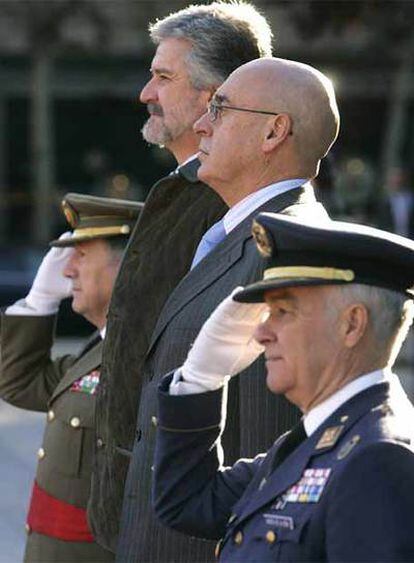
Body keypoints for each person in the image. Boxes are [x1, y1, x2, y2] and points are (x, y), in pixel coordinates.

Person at [116, 56, 340, 562]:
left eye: (219, 108)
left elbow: (274, 442)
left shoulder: (284, 252)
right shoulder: (239, 235)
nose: (200, 124)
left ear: (273, 133)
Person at [90, 2, 274, 556]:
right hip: (139, 517)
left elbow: (256, 397)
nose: (146, 92)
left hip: (184, 528)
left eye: (163, 76)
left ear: (215, 95)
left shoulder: (234, 208)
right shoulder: (182, 193)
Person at [153, 212, 414, 562]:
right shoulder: (324, 437)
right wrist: (200, 378)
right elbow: (187, 502)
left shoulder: (376, 460)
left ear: (352, 325)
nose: (261, 333)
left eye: (283, 312)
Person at [0, 194, 142, 563]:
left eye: (81, 255)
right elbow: (19, 382)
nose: (67, 271)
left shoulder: (146, 357)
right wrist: (39, 300)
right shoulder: (101, 348)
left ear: (125, 266)